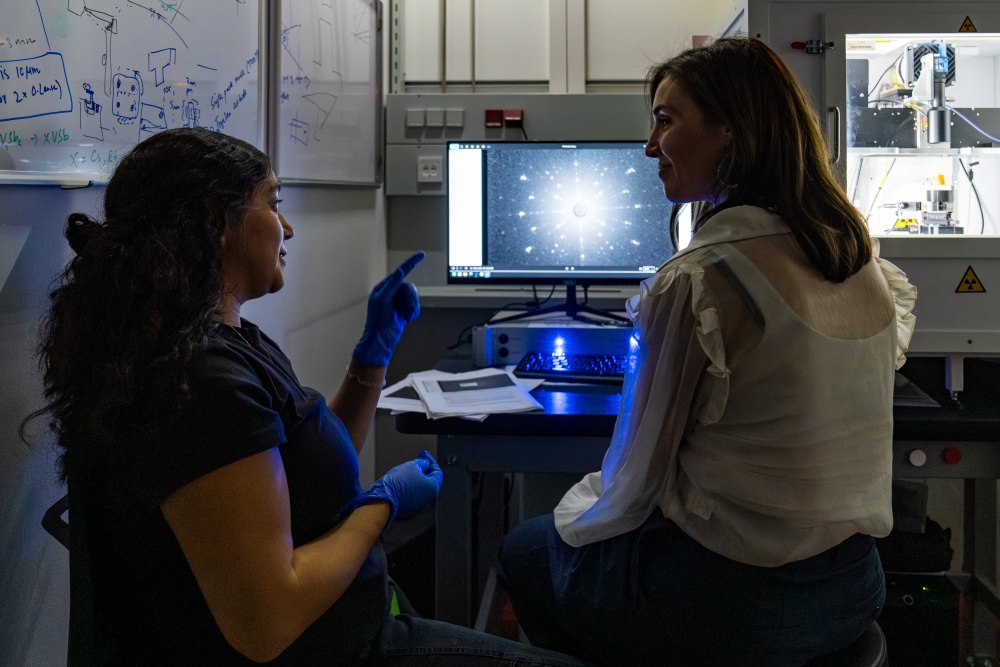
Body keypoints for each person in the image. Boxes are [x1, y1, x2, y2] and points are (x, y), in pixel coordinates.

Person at [27, 127, 588, 666]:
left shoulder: (223, 342)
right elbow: (268, 622)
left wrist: (373, 355)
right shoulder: (202, 383)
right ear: (214, 222)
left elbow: (310, 467)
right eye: (273, 203)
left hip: (350, 622)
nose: (288, 228)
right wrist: (384, 503)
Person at [496, 37, 917, 666]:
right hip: (853, 589)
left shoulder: (702, 279)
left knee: (525, 550)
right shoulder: (860, 263)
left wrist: (574, 510)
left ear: (729, 130)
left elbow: (635, 481)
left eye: (665, 121)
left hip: (739, 608)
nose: (648, 146)